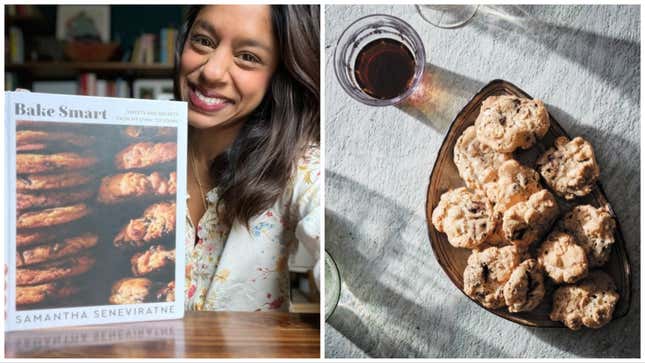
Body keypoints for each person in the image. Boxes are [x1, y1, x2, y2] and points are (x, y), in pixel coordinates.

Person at [174, 5, 320, 311]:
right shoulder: (136, 154)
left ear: (279, 75)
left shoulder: (304, 168)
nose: (211, 71)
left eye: (248, 57)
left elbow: (334, 245)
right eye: (203, 41)